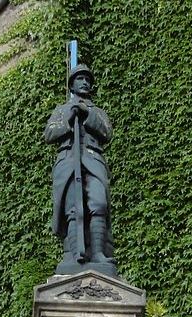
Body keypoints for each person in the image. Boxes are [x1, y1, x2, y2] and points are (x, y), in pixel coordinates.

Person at [44, 63, 117, 276]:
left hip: (93, 161)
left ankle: (98, 254)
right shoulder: (61, 110)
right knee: (73, 209)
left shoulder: (97, 111)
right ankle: (74, 255)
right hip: (68, 163)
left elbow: (107, 133)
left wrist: (87, 115)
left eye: (87, 79)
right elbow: (49, 134)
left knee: (98, 203)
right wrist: (69, 118)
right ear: (72, 84)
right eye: (79, 79)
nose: (84, 82)